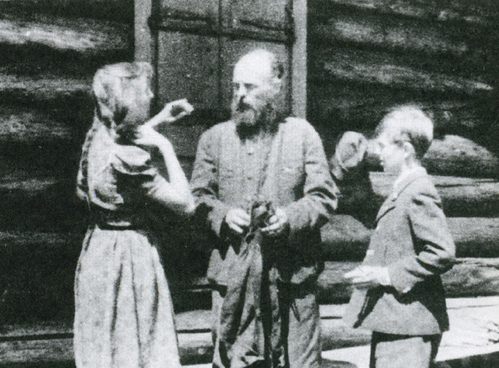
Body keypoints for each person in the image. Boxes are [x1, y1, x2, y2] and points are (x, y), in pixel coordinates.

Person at [190, 49, 337, 368]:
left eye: (250, 87)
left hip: (292, 285)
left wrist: (290, 218)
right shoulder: (213, 139)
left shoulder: (302, 135)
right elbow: (198, 198)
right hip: (234, 286)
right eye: (235, 87)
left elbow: (323, 197)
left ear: (276, 86)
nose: (240, 95)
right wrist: (224, 215)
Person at [74, 62, 195, 368]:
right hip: (128, 256)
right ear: (128, 100)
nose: (152, 95)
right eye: (146, 91)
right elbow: (185, 204)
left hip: (99, 250)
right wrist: (166, 146)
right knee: (138, 341)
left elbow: (123, 139)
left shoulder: (97, 133)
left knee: (108, 341)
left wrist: (159, 120)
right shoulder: (130, 158)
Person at [343, 105, 456, 368]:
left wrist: (385, 276)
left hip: (409, 327)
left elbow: (442, 252)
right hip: (396, 323)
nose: (376, 153)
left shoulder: (418, 191)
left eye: (383, 146)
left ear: (406, 150)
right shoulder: (403, 190)